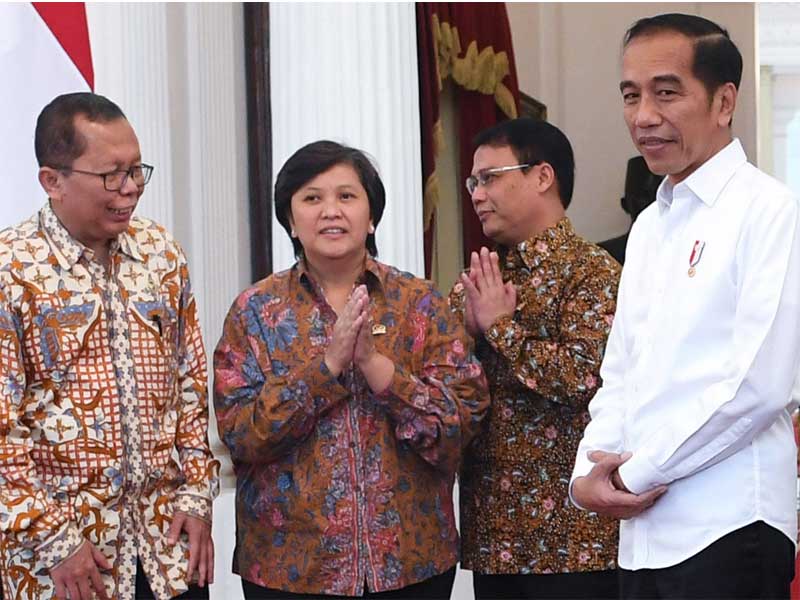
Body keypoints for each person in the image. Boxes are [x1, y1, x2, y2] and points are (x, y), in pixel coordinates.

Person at [571, 13, 800, 600]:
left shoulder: (771, 211)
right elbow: (621, 369)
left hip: (729, 525)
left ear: (724, 102)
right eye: (631, 95)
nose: (644, 116)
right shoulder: (649, 225)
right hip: (641, 535)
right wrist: (584, 475)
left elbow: (761, 384)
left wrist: (634, 472)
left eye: (666, 92)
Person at [213, 140, 489, 599]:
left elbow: (461, 424)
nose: (330, 211)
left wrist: (377, 368)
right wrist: (328, 367)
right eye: (312, 198)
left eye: (346, 196)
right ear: (291, 221)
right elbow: (241, 432)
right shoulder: (255, 312)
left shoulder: (419, 303)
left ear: (372, 215)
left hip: (409, 563)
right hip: (290, 570)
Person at [0, 92, 220, 600]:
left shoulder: (162, 254)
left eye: (137, 169)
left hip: (166, 550)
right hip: (64, 564)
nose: (131, 188)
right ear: (52, 180)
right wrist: (52, 539)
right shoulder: (13, 271)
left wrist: (196, 494)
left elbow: (189, 385)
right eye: (111, 175)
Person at [450, 117, 621, 600]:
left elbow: (584, 379)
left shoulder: (593, 273)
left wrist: (500, 327)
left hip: (576, 543)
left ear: (542, 177)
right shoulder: (480, 276)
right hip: (495, 538)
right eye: (472, 182)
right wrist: (464, 332)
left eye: (490, 178)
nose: (477, 195)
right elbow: (442, 381)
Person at [598, 156, 660, 265]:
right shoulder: (601, 255)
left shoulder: (682, 251)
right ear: (625, 204)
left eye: (654, 196)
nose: (648, 204)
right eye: (640, 197)